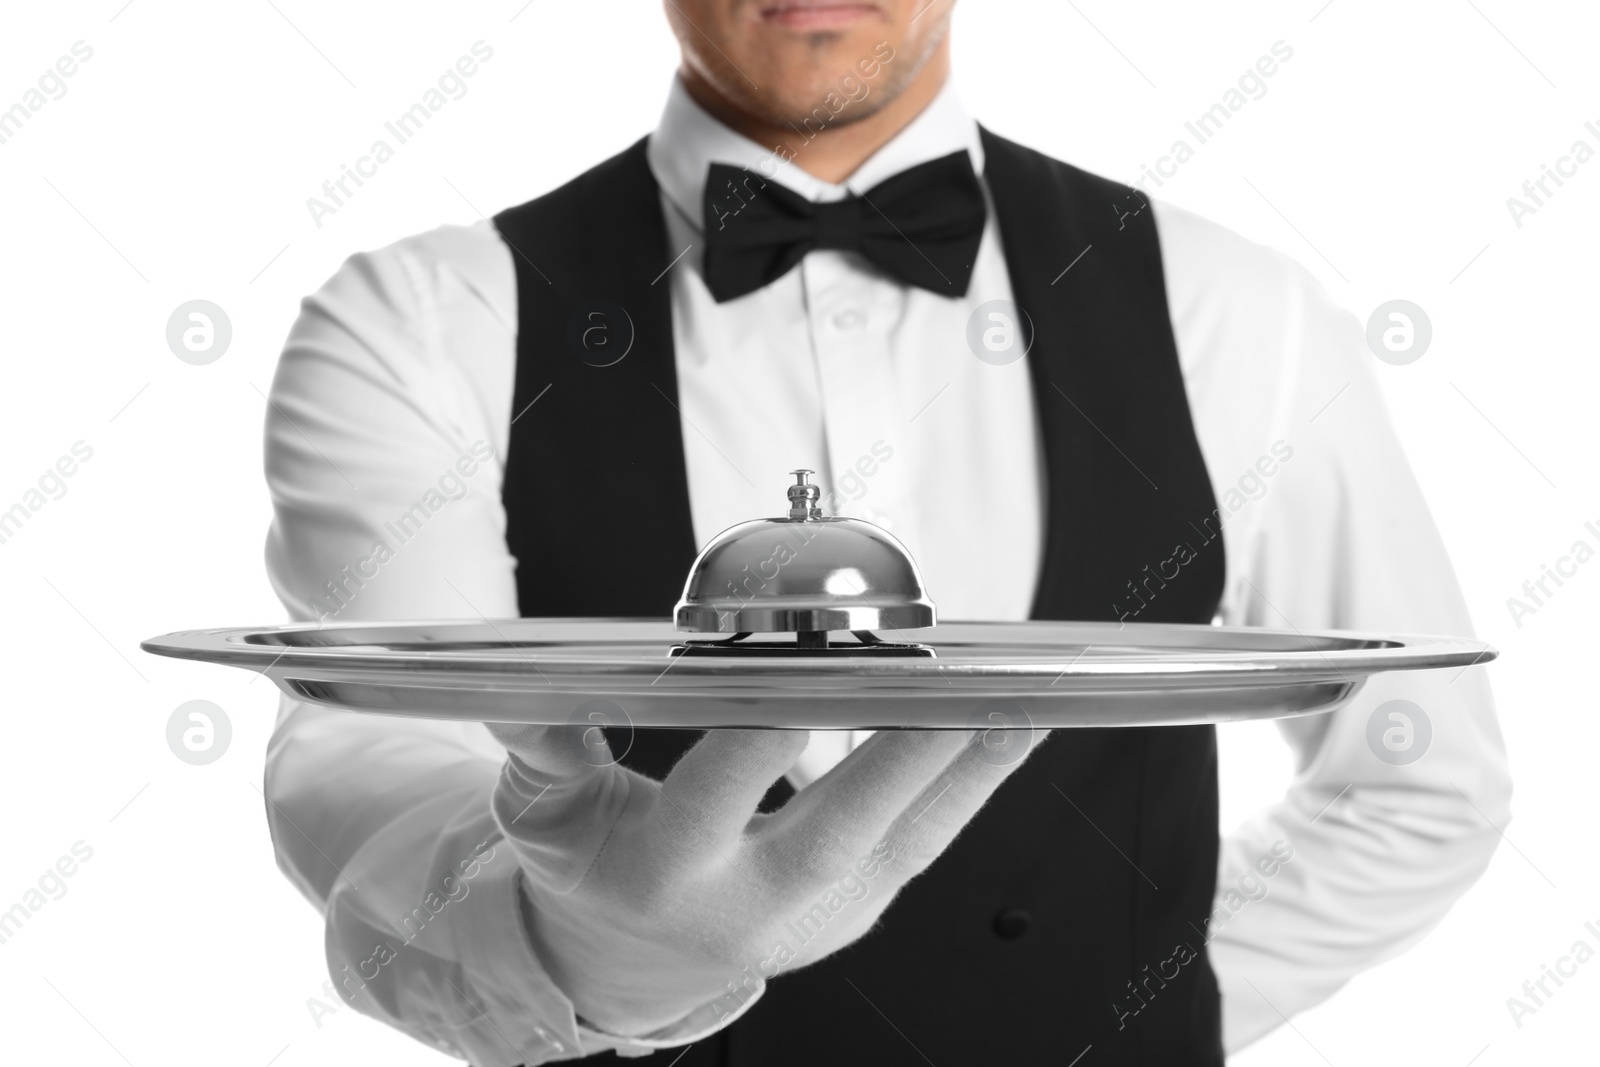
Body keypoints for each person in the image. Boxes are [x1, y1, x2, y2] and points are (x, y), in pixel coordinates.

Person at [262, 1, 1512, 1063]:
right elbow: (363, 750)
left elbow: (1420, 776)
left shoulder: (1237, 311)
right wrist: (561, 948)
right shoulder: (421, 317)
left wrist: (1149, 995)